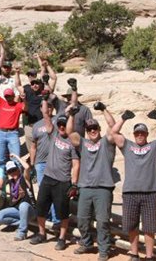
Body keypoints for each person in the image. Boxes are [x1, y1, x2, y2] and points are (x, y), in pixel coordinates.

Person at [111, 109, 156, 261]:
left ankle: (149, 255)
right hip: (130, 192)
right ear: (134, 135)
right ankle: (134, 253)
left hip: (150, 192)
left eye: (143, 133)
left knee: (150, 227)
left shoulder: (154, 147)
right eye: (137, 133)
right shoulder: (127, 146)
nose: (140, 135)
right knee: (131, 225)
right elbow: (114, 133)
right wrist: (123, 118)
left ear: (146, 135)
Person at [66, 98, 117, 261]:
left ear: (99, 128)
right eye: (89, 129)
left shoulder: (106, 142)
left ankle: (104, 250)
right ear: (86, 131)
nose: (92, 130)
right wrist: (72, 116)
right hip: (85, 187)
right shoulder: (83, 143)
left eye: (95, 128)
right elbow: (69, 132)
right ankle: (87, 243)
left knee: (102, 221)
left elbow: (113, 126)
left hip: (103, 188)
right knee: (82, 219)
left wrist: (103, 109)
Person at [30, 100, 80, 251]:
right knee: (41, 207)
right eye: (60, 125)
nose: (62, 127)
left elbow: (76, 164)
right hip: (48, 178)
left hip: (63, 181)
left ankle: (62, 238)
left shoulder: (72, 142)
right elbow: (45, 114)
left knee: (62, 212)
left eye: (64, 125)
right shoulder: (53, 134)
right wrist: (44, 98)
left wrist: (74, 184)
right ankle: (42, 233)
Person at [0, 63, 28, 173]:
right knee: (1, 159)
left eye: (10, 96)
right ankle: (3, 179)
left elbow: (26, 108)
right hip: (0, 133)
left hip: (13, 134)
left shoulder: (17, 105)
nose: (8, 98)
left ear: (13, 96)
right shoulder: (2, 103)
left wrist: (23, 98)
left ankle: (18, 182)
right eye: (6, 96)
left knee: (16, 158)